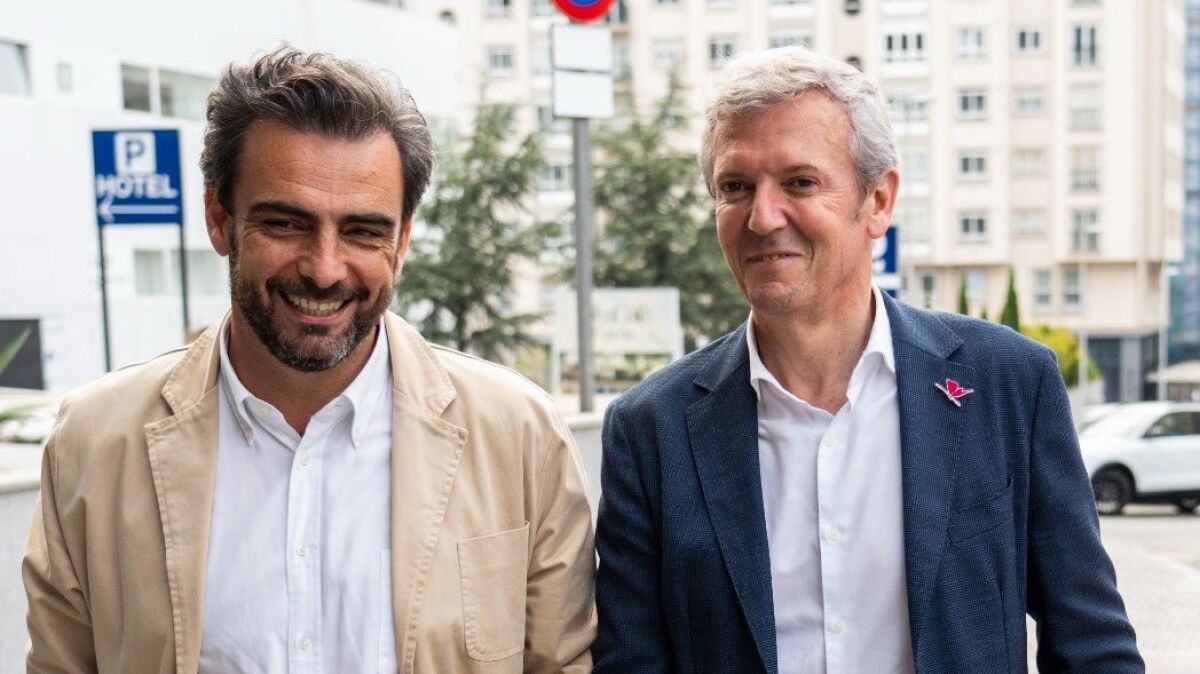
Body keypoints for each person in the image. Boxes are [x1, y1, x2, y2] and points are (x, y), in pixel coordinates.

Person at [24, 47, 595, 673]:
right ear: (219, 219)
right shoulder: (94, 443)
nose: (324, 269)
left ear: (402, 241)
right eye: (286, 224)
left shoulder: (519, 436)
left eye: (362, 231)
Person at [592, 47, 1142, 674]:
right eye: (735, 187)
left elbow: (1092, 646)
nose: (762, 217)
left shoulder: (1008, 385)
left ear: (878, 200)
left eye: (800, 182)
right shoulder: (651, 429)